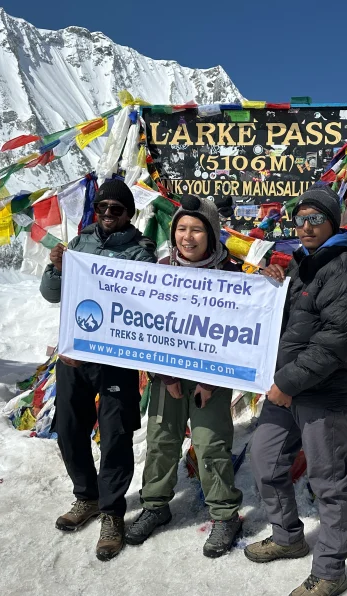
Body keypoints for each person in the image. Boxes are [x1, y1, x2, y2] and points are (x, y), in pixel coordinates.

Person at [244, 185, 347, 596]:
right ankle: (288, 536)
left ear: (333, 222)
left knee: (329, 482)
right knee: (265, 459)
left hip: (320, 394)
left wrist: (287, 382)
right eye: (300, 219)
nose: (306, 227)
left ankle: (331, 572)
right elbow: (291, 324)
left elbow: (335, 340)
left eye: (316, 219)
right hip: (287, 388)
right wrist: (273, 286)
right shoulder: (305, 266)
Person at [40, 178, 156, 561]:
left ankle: (111, 513)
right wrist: (56, 268)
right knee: (70, 429)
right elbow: (52, 294)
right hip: (75, 354)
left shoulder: (141, 254)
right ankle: (85, 496)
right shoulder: (78, 244)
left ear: (129, 214)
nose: (108, 215)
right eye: (102, 208)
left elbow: (149, 304)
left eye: (116, 209)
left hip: (116, 361)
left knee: (115, 435)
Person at [125, 195, 244, 557]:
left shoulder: (231, 274)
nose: (187, 237)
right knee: (162, 440)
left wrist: (210, 381)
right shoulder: (160, 270)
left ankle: (225, 514)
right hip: (168, 378)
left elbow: (240, 333)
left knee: (210, 443)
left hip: (212, 378)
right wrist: (166, 375)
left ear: (211, 234)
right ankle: (155, 505)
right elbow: (151, 327)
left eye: (196, 229)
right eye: (181, 228)